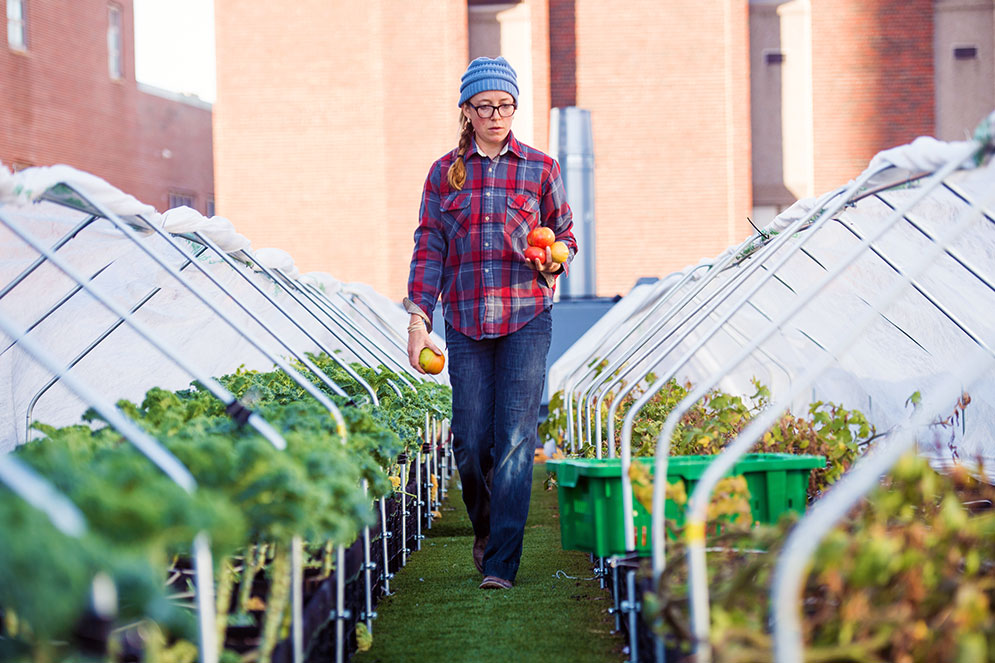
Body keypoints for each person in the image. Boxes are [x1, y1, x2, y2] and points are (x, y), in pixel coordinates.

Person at [404, 56, 577, 590]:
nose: (497, 115)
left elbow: (566, 236)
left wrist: (554, 258)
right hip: (466, 320)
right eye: (485, 107)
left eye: (505, 106)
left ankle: (501, 562)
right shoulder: (443, 173)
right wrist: (417, 318)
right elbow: (429, 245)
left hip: (526, 316)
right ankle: (485, 527)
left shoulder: (540, 169)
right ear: (467, 112)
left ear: (514, 108)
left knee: (517, 438)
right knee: (471, 437)